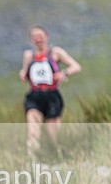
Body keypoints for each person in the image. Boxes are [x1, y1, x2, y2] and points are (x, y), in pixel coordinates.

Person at [19, 25, 81, 161]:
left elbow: (76, 66)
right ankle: (32, 160)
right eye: (34, 37)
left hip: (52, 97)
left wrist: (63, 74)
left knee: (53, 134)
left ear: (46, 37)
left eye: (40, 36)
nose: (38, 39)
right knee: (33, 130)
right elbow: (25, 73)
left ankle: (56, 157)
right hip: (34, 97)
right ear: (31, 40)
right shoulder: (29, 56)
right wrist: (23, 74)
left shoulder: (55, 53)